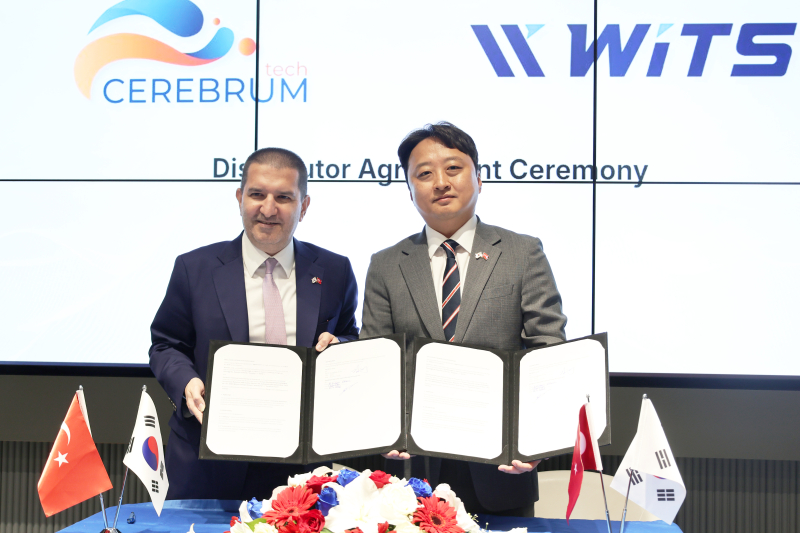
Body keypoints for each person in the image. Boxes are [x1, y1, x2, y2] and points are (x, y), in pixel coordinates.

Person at [361, 122, 567, 516]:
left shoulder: (523, 253)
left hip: (501, 466)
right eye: (424, 173)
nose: (440, 182)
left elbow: (548, 352)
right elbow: (376, 360)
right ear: (409, 190)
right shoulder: (386, 264)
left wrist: (537, 440)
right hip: (413, 469)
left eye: (453, 168)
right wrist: (381, 430)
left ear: (479, 178)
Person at [149, 147, 359, 500]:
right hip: (208, 461)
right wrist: (187, 383)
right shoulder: (194, 268)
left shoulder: (335, 270)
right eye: (257, 194)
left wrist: (342, 348)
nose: (268, 209)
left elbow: (349, 335)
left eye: (284, 198)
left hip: (302, 466)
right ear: (239, 198)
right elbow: (166, 344)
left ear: (304, 206)